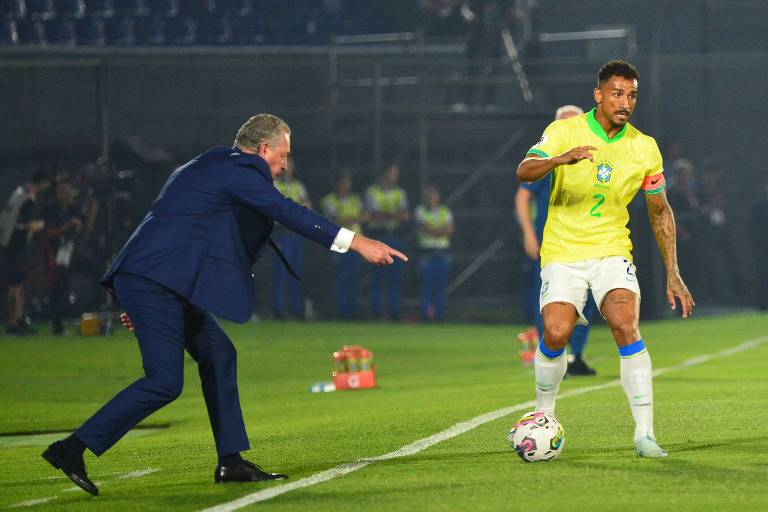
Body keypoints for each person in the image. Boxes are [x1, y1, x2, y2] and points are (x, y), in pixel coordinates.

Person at [41, 114, 407, 495]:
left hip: (158, 280)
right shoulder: (242, 172)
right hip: (155, 282)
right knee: (164, 382)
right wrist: (359, 243)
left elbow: (177, 228)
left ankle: (230, 462)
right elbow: (288, 213)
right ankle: (72, 448)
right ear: (264, 149)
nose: (285, 164)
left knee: (219, 353)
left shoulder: (210, 164)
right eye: (284, 155)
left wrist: (136, 294)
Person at [516, 60, 694, 458]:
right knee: (557, 333)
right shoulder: (564, 131)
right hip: (563, 252)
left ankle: (645, 435)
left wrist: (673, 272)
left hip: (612, 251)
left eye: (631, 95)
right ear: (598, 95)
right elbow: (524, 171)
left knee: (624, 323)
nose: (625, 102)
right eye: (617, 93)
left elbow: (660, 211)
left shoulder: (644, 147)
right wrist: (558, 160)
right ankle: (544, 416)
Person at [515, 105, 598, 376]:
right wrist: (529, 234)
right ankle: (550, 354)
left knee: (586, 299)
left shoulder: (592, 160)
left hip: (587, 242)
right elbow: (523, 195)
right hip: (553, 244)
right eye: (565, 123)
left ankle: (576, 356)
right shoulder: (549, 161)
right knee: (551, 299)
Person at [0, 167, 52, 336]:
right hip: (16, 244)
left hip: (9, 243)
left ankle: (18, 319)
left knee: (19, 284)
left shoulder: (19, 192)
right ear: (42, 182)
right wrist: (42, 224)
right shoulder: (28, 198)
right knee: (15, 286)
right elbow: (29, 225)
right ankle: (12, 322)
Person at [364, 163, 409, 320]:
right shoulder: (372, 192)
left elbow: (405, 216)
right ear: (384, 174)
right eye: (392, 173)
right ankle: (376, 314)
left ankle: (394, 314)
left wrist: (385, 214)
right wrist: (393, 214)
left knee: (394, 278)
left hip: (393, 237)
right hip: (377, 236)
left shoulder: (400, 193)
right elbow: (374, 216)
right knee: (376, 277)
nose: (395, 176)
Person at [41, 175, 83, 336]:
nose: (64, 193)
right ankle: (57, 325)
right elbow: (48, 233)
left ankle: (61, 323)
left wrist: (79, 226)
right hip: (51, 252)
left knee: (63, 288)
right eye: (61, 190)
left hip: (67, 252)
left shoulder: (72, 209)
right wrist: (67, 226)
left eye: (66, 189)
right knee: (55, 289)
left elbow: (81, 232)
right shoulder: (50, 209)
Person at [321, 172, 366, 319]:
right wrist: (354, 218)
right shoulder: (329, 200)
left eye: (348, 182)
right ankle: (340, 312)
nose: (346, 186)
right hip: (338, 244)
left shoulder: (355, 199)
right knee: (340, 279)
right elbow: (335, 222)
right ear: (337, 183)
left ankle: (352, 312)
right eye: (343, 182)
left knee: (353, 279)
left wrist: (348, 219)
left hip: (355, 245)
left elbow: (365, 217)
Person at [271, 158, 311, 319]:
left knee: (295, 272)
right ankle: (279, 309)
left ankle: (296, 309)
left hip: (296, 234)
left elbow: (307, 206)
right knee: (280, 273)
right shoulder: (274, 184)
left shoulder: (298, 186)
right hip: (280, 233)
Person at [414, 184, 454, 320]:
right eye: (429, 195)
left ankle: (439, 316)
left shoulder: (444, 211)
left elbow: (449, 230)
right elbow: (423, 229)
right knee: (426, 286)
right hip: (426, 252)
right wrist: (440, 230)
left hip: (442, 252)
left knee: (441, 286)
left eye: (434, 195)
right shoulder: (420, 211)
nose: (431, 198)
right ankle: (426, 315)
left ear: (438, 197)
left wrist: (432, 230)